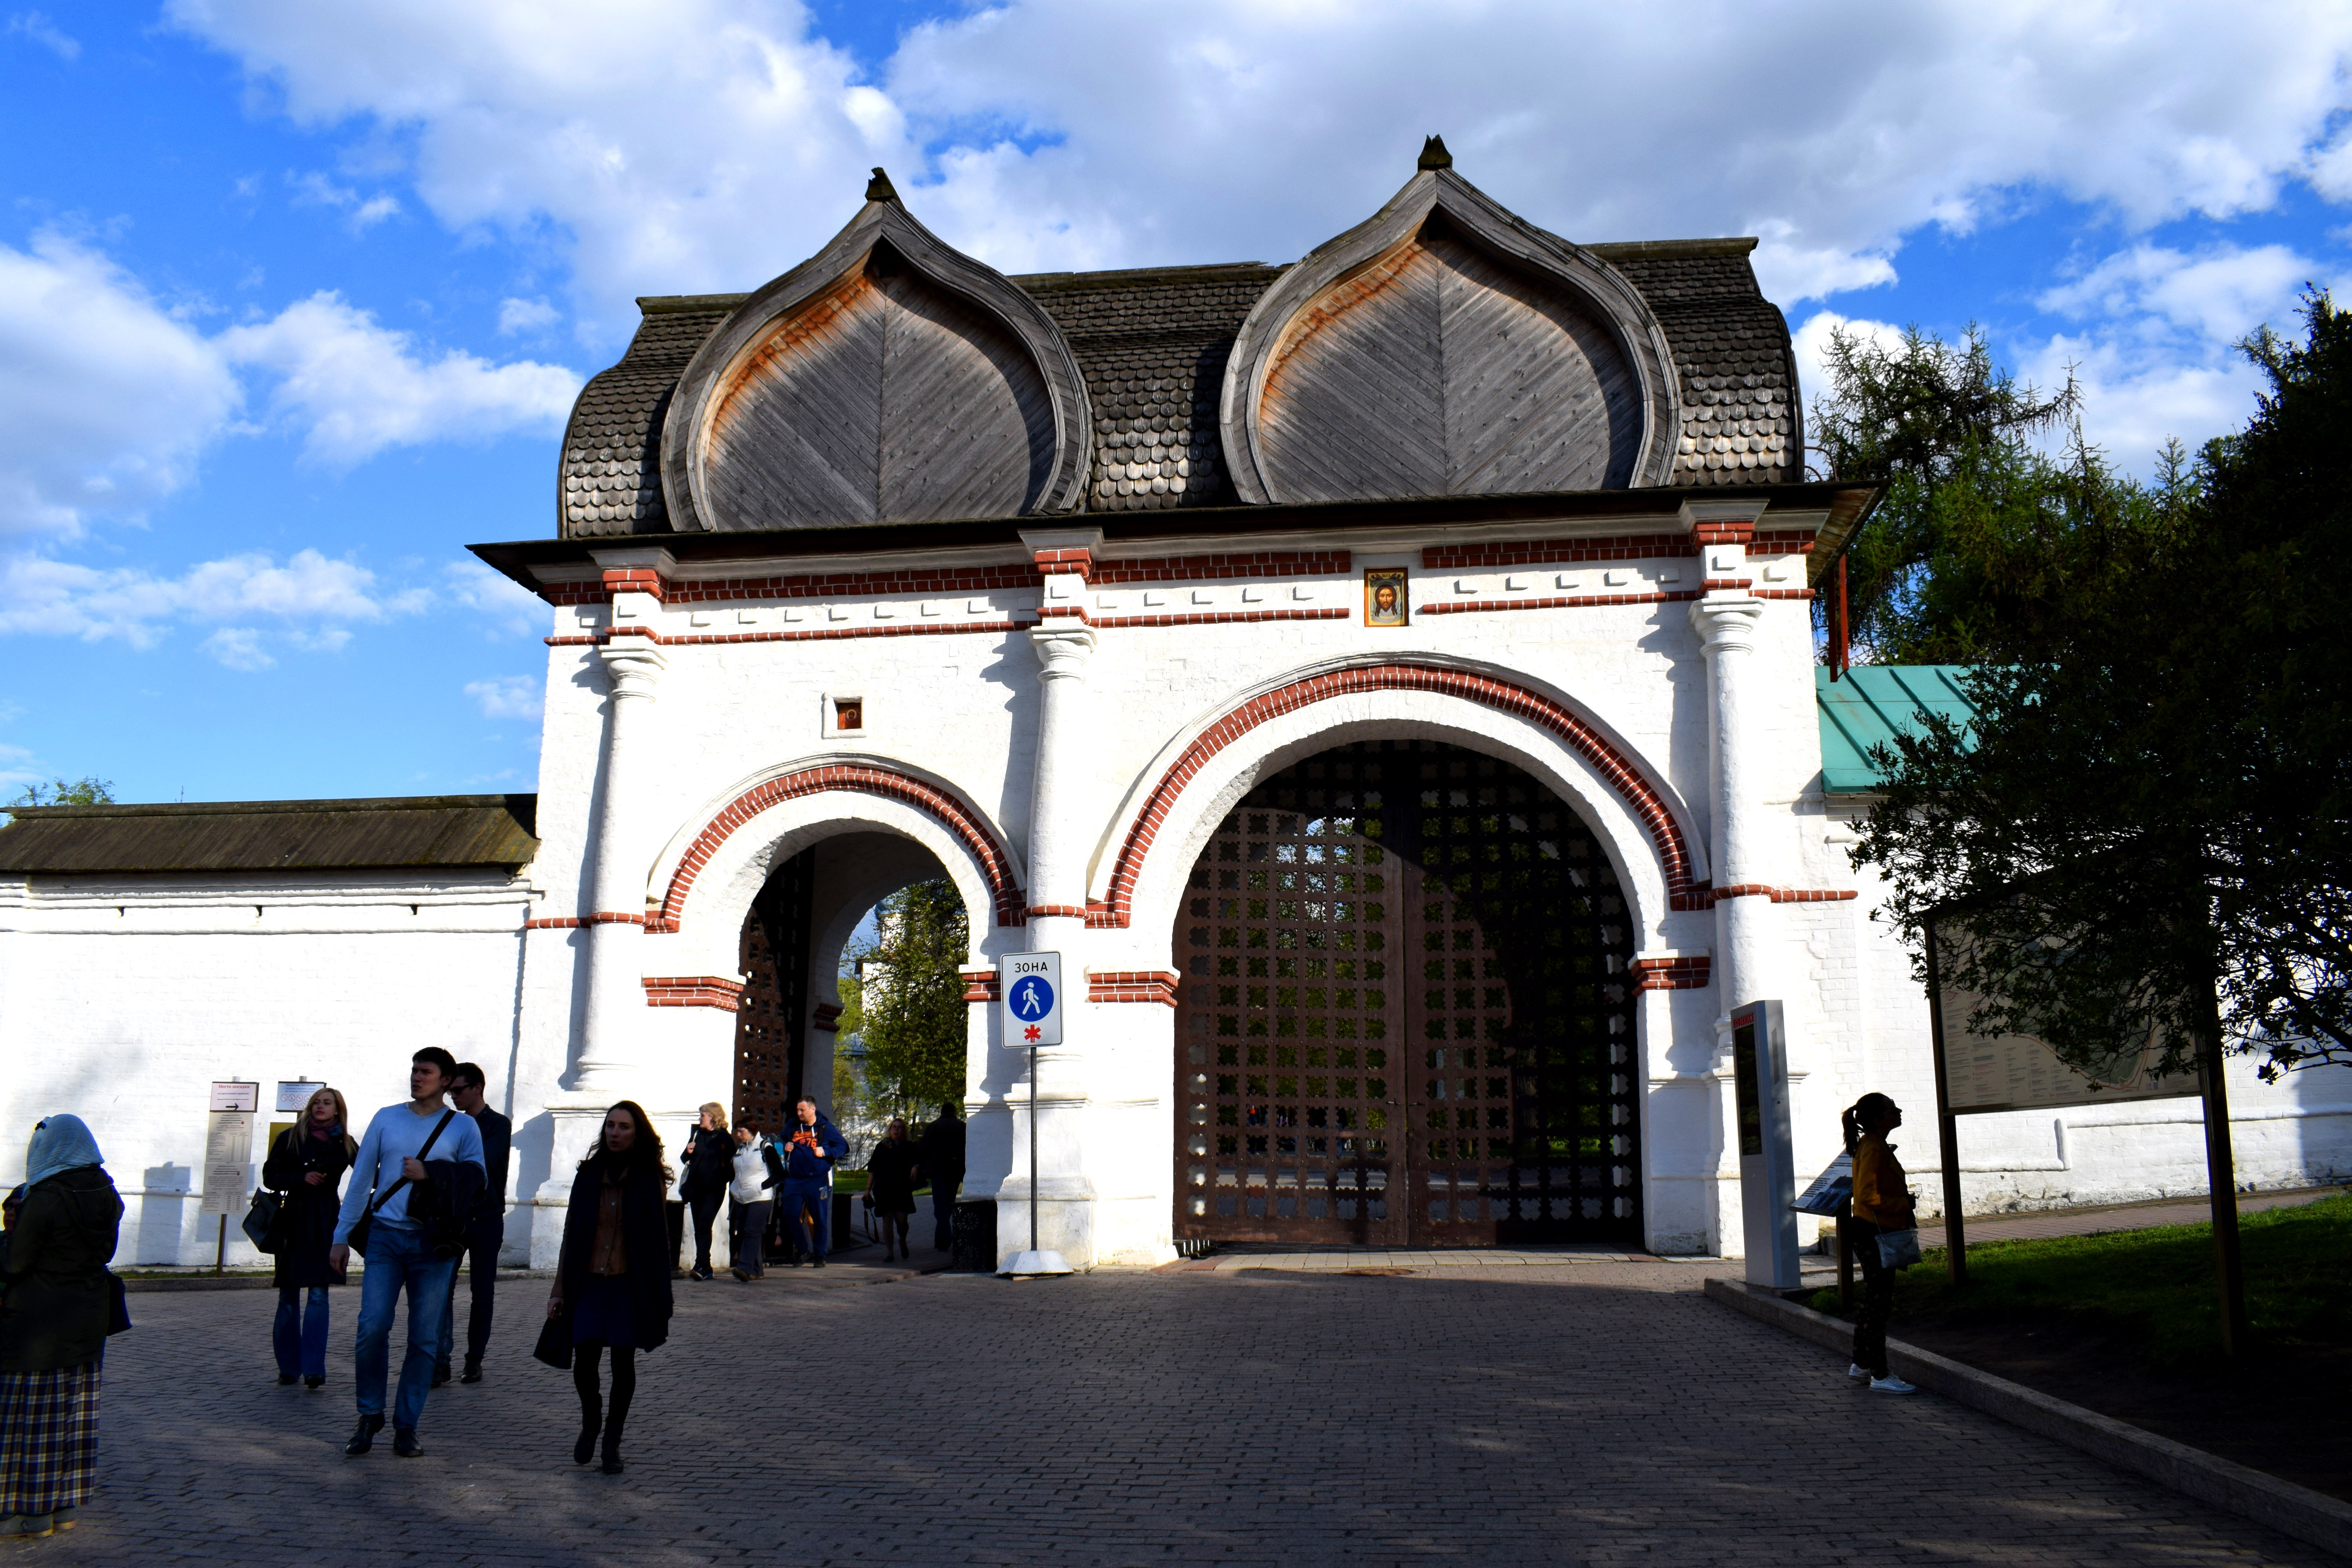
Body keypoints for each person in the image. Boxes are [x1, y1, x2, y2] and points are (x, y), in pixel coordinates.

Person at [330, 1047, 487, 1458]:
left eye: (426, 1072)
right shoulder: (386, 1117)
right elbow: (361, 1178)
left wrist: (431, 1171)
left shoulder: (463, 1127)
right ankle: (369, 1415)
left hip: (433, 1244)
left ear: (447, 1079)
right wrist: (341, 1236)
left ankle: (406, 1425)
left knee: (423, 1339)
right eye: (414, 1070)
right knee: (371, 1327)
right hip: (383, 1236)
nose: (417, 1078)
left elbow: (478, 1179)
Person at [0, 1114, 124, 1539]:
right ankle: (62, 1507)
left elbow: (16, 1261)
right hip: (87, 1318)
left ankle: (27, 1510)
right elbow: (105, 1251)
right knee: (73, 1417)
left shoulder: (45, 1196)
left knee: (27, 1418)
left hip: (37, 1320)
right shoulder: (106, 1191)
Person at [548, 1100, 672, 1475]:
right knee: (584, 1360)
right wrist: (559, 1288)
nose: (615, 1134)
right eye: (610, 1126)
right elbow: (571, 1232)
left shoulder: (649, 1180)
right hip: (587, 1282)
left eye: (624, 1128)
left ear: (638, 1134)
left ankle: (613, 1441)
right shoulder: (588, 1175)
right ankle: (591, 1421)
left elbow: (656, 1240)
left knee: (623, 1362)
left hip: (627, 1285)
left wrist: (659, 1293)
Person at [261, 1087, 356, 1390]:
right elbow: (270, 1177)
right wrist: (300, 1178)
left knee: (319, 1294)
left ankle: (314, 1368)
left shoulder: (346, 1143)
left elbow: (370, 1174)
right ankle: (288, 1367)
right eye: (316, 1102)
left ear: (338, 1109)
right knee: (288, 1294)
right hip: (294, 1219)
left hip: (327, 1219)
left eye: (327, 1103)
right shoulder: (290, 1137)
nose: (320, 1107)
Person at [433, 1062, 512, 1387]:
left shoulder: (497, 1124)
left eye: (459, 1090)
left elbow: (478, 1161)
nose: (453, 1097)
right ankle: (441, 1360)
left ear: (478, 1087)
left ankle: (474, 1360)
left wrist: (443, 1166)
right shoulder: (450, 1124)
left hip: (487, 1217)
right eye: (450, 1091)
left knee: (483, 1293)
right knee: (442, 1291)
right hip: (454, 1216)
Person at [1843, 1092, 1919, 1396]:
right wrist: (1903, 1204)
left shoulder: (1871, 1145)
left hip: (1869, 1231)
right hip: (1877, 1233)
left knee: (1873, 1303)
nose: (1898, 1112)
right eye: (1892, 1110)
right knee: (1878, 1307)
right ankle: (1880, 1373)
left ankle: (1861, 1364)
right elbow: (1868, 1197)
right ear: (1878, 1120)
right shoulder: (1873, 1148)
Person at [779, 1097, 848, 1267]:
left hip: (817, 1180)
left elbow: (844, 1147)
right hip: (795, 1179)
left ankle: (820, 1254)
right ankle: (803, 1250)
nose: (799, 1113)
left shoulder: (826, 1128)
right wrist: (786, 1144)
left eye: (802, 1110)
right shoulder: (793, 1125)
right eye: (798, 1110)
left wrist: (825, 1152)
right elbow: (782, 1139)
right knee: (790, 1214)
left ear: (813, 1110)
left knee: (819, 1218)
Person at [677, 1103, 733, 1282]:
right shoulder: (697, 1135)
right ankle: (705, 1266)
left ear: (713, 1117)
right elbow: (685, 1159)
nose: (700, 1119)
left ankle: (700, 1264)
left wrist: (721, 1179)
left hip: (714, 1190)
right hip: (696, 1188)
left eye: (703, 1116)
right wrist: (689, 1151)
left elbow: (731, 1165)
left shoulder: (725, 1139)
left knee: (703, 1225)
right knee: (699, 1228)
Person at [726, 1122, 780, 1282]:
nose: (738, 1135)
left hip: (760, 1198)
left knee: (752, 1231)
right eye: (737, 1132)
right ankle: (757, 1270)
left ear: (752, 1131)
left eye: (741, 1132)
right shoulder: (740, 1149)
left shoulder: (766, 1148)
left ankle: (744, 1267)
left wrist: (761, 1186)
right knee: (745, 1232)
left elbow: (779, 1173)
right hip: (741, 1198)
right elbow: (733, 1172)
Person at [866, 1119, 919, 1263]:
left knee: (902, 1221)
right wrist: (867, 1190)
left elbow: (919, 1159)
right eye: (894, 1128)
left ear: (904, 1131)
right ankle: (890, 1253)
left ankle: (902, 1240)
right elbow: (873, 1170)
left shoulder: (909, 1146)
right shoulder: (882, 1147)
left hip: (902, 1189)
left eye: (900, 1128)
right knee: (887, 1222)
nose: (896, 1131)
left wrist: (915, 1166)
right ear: (890, 1130)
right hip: (884, 1189)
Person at [917, 1102, 965, 1255]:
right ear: (954, 1112)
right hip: (955, 1170)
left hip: (937, 1171)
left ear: (941, 1112)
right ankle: (942, 1240)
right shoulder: (961, 1126)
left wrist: (921, 1166)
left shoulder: (933, 1127)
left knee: (940, 1206)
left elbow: (923, 1149)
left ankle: (944, 1239)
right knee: (948, 1204)